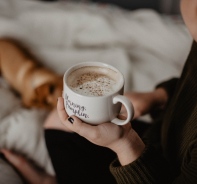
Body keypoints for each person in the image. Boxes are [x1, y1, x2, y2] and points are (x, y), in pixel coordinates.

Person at [1, 0, 196, 183]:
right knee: (58, 123)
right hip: (161, 139)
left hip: (148, 170)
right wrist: (158, 96)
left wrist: (124, 142)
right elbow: (190, 90)